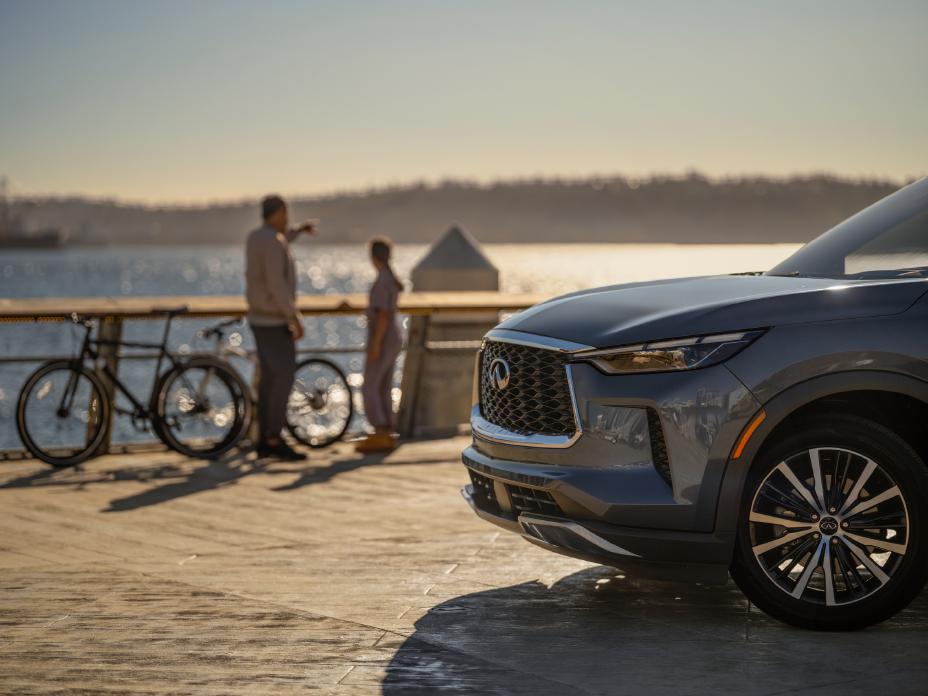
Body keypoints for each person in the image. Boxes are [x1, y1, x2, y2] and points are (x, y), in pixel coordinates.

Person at [245, 194, 315, 461]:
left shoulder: (256, 238)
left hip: (257, 318)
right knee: (283, 378)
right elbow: (277, 284)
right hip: (274, 321)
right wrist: (293, 317)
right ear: (279, 213)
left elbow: (280, 238)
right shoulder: (274, 242)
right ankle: (273, 439)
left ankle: (264, 439)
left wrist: (298, 231)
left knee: (268, 381)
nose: (287, 218)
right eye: (286, 213)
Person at [357, 236, 404, 453]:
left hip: (383, 337)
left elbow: (383, 315)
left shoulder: (382, 281)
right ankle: (387, 429)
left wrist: (375, 344)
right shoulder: (389, 279)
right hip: (393, 336)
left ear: (372, 257)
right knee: (384, 385)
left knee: (370, 386)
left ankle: (379, 428)